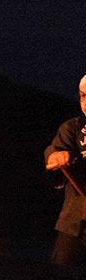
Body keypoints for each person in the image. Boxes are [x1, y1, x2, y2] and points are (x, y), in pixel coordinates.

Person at [45, 74, 86, 265]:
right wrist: (55, 155)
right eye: (83, 96)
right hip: (75, 224)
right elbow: (56, 150)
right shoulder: (72, 128)